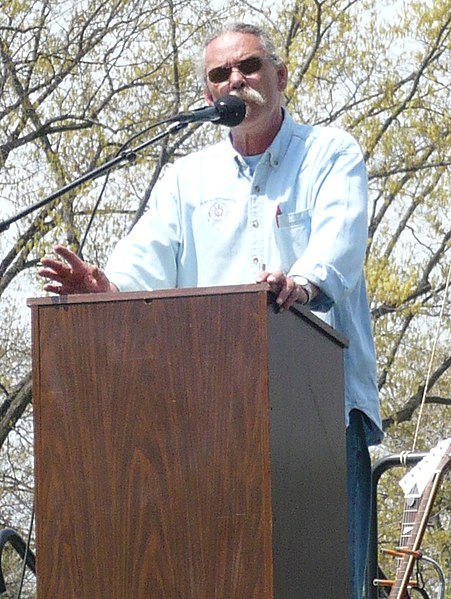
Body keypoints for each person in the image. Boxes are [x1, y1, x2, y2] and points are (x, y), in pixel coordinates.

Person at [39, 22, 383, 598]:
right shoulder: (186, 179)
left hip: (318, 415)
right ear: (207, 96)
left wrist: (298, 284)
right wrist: (103, 287)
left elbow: (338, 246)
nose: (235, 80)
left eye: (248, 66)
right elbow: (141, 263)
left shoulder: (329, 154)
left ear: (281, 77)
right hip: (213, 427)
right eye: (220, 74)